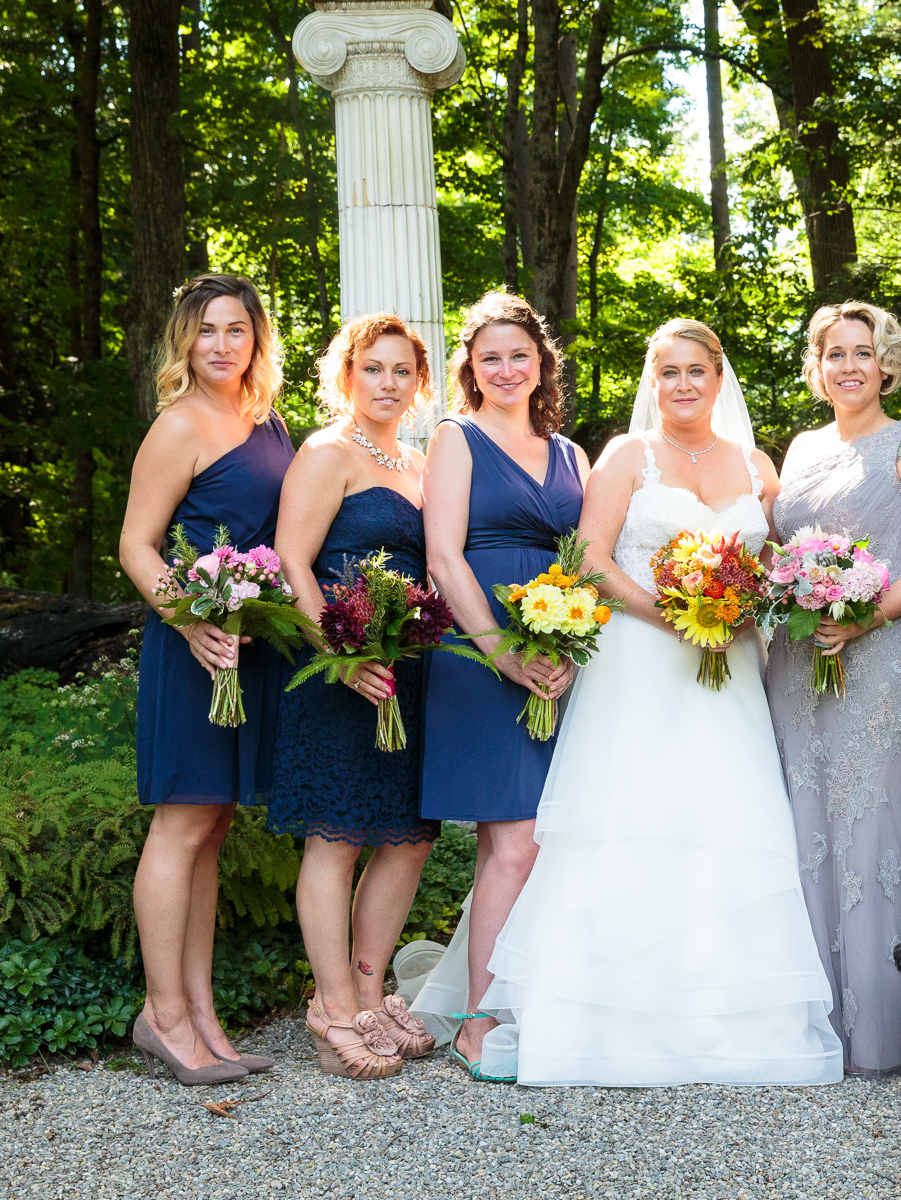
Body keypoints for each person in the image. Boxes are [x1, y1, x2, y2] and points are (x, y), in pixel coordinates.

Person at [476, 318, 842, 1087]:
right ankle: (599, 1014)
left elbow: (773, 564)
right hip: (641, 662)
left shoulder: (756, 465)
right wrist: (673, 614)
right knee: (632, 813)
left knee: (723, 815)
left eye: (696, 371)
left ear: (719, 376)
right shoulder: (627, 456)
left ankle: (728, 1013)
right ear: (654, 381)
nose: (682, 385)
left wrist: (740, 607)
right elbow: (590, 557)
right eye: (668, 372)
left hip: (729, 665)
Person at [767, 301, 901, 1076]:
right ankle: (807, 1019)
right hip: (799, 657)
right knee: (799, 820)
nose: (849, 365)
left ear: (888, 364)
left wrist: (865, 619)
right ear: (817, 368)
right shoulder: (801, 447)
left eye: (863, 352)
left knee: (876, 826)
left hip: (880, 655)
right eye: (834, 353)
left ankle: (887, 1025)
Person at [119, 274, 293, 1085]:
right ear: (184, 342)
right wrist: (189, 621)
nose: (221, 345)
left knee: (214, 827)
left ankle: (202, 1012)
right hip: (191, 647)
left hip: (246, 647)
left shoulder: (269, 422)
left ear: (257, 337)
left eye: (236, 329)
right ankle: (163, 1017)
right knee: (181, 825)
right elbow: (137, 545)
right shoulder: (179, 424)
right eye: (206, 331)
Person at [407, 294, 585, 1082]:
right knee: (513, 842)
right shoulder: (458, 437)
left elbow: (585, 560)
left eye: (520, 355)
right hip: (479, 652)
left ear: (541, 362)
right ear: (471, 371)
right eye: (490, 359)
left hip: (560, 650)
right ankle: (481, 1023)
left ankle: (522, 997)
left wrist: (574, 647)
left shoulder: (574, 453)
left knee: (537, 841)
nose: (507, 369)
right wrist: (501, 654)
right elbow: (443, 557)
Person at [269, 313, 442, 1080]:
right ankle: (331, 1007)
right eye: (373, 368)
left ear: (420, 382)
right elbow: (292, 561)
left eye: (402, 371)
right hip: (338, 672)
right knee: (336, 837)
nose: (388, 383)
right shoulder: (326, 452)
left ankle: (371, 995)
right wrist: (337, 653)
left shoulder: (419, 461)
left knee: (408, 835)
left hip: (409, 669)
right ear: (347, 374)